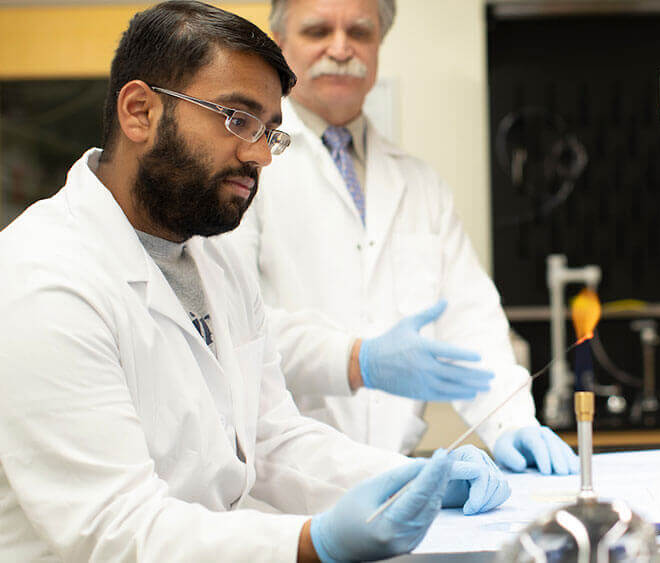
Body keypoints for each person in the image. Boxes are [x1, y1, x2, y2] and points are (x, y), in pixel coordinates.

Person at [0, 2, 509, 561]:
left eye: (271, 132)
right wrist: (312, 542)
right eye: (237, 119)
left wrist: (413, 478)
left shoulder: (214, 261)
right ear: (140, 111)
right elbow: (115, 530)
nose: (261, 155)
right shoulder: (42, 279)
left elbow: (269, 440)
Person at [226, 0, 579, 475]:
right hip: (276, 485)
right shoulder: (242, 168)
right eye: (317, 31)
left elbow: (470, 318)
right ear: (280, 45)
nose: (340, 47)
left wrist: (512, 421)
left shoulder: (419, 184)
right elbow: (231, 325)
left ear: (379, 45)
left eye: (359, 32)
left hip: (394, 473)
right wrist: (355, 359)